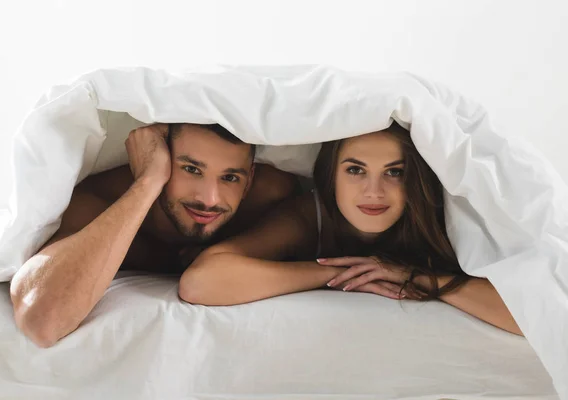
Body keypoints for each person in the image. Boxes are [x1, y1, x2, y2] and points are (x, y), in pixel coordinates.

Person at [179, 122, 522, 336]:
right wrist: (346, 272)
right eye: (355, 171)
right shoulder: (307, 215)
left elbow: (532, 316)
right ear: (331, 176)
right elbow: (201, 282)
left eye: (394, 172)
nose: (374, 191)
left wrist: (411, 275)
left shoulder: (439, 219)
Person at [10, 122, 298, 347]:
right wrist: (147, 181)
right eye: (191, 169)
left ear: (248, 182)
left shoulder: (270, 196)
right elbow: (43, 322)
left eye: (230, 177)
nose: (210, 199)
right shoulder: (97, 203)